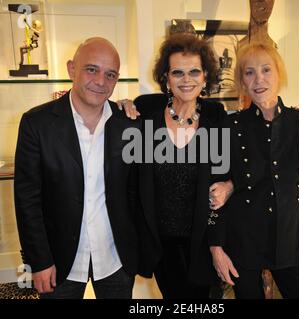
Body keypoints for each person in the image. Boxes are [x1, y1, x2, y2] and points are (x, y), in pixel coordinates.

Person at [14, 37, 143, 299]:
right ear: (72, 69)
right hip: (58, 262)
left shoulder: (129, 124)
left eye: (110, 75)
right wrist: (38, 261)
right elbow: (27, 200)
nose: (100, 81)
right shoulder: (36, 123)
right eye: (91, 69)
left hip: (116, 258)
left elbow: (135, 192)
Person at [208, 43, 299, 299]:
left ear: (278, 73)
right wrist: (216, 247)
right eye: (249, 72)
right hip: (243, 240)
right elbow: (214, 193)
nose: (258, 79)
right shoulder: (229, 126)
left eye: (266, 70)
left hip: (292, 238)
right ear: (241, 80)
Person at [122, 33, 233, 298]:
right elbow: (128, 174)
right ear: (166, 78)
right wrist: (121, 107)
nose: (186, 80)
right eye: (178, 73)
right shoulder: (146, 110)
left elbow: (228, 175)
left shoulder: (216, 116)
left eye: (194, 72)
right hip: (161, 245)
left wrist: (230, 185)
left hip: (202, 241)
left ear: (205, 76)